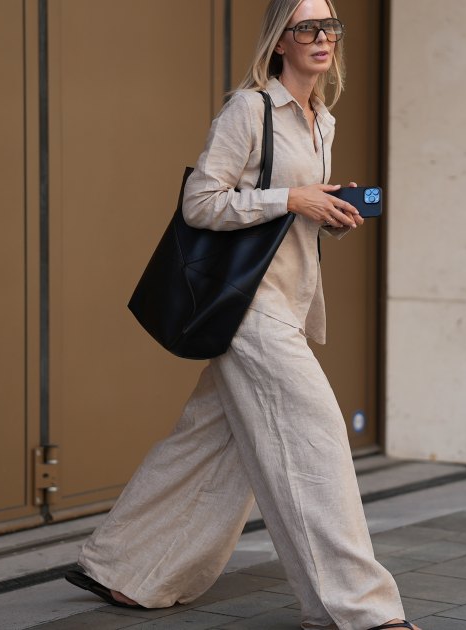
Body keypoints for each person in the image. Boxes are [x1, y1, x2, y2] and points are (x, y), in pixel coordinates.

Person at [66, 1, 415, 629]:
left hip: (289, 303)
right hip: (249, 308)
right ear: (280, 40)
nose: (323, 38)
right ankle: (357, 612)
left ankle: (124, 569)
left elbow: (289, 217)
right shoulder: (249, 110)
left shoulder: (323, 120)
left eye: (330, 27)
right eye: (307, 28)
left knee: (212, 444)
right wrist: (291, 198)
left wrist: (327, 213)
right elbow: (200, 201)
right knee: (315, 442)